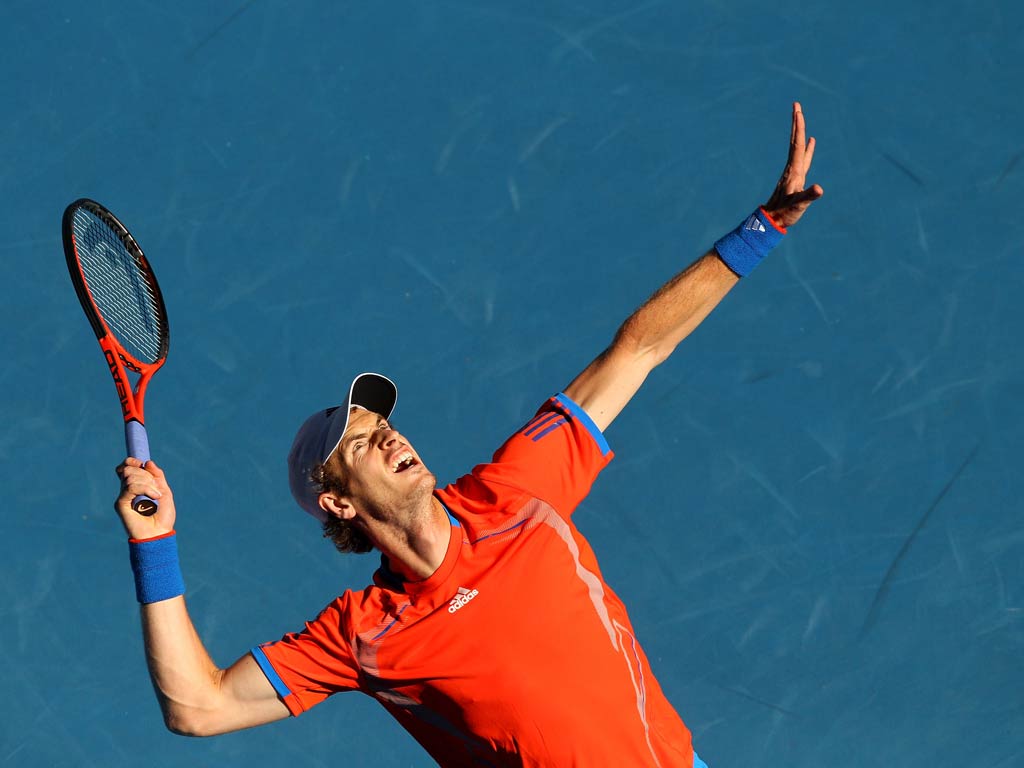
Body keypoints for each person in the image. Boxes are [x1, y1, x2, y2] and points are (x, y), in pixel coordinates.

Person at [115, 102, 823, 767]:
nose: (393, 439)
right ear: (337, 503)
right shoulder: (362, 633)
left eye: (385, 425)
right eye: (363, 443)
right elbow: (198, 708)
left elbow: (636, 350)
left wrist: (765, 227)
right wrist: (155, 547)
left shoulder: (516, 491)